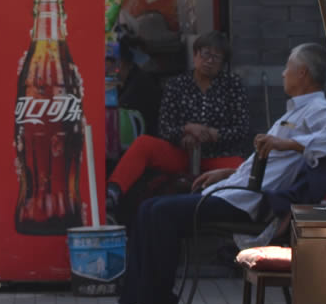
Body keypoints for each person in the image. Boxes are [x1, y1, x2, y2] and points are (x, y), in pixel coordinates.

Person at [95, 43, 326, 304]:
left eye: (288, 67)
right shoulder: (294, 112)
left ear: (302, 73)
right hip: (234, 189)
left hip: (247, 202)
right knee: (147, 208)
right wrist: (227, 173)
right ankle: (131, 300)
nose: (283, 74)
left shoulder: (319, 110)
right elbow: (264, 162)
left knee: (160, 213)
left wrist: (287, 142)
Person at [106, 32, 250, 222]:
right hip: (181, 153)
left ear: (223, 62)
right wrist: (185, 130)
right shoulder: (177, 85)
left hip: (219, 155)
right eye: (205, 54)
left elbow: (242, 128)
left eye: (216, 57)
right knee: (144, 144)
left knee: (242, 169)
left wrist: (215, 134)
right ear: (195, 55)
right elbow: (164, 127)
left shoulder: (233, 85)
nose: (209, 61)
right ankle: (112, 193)